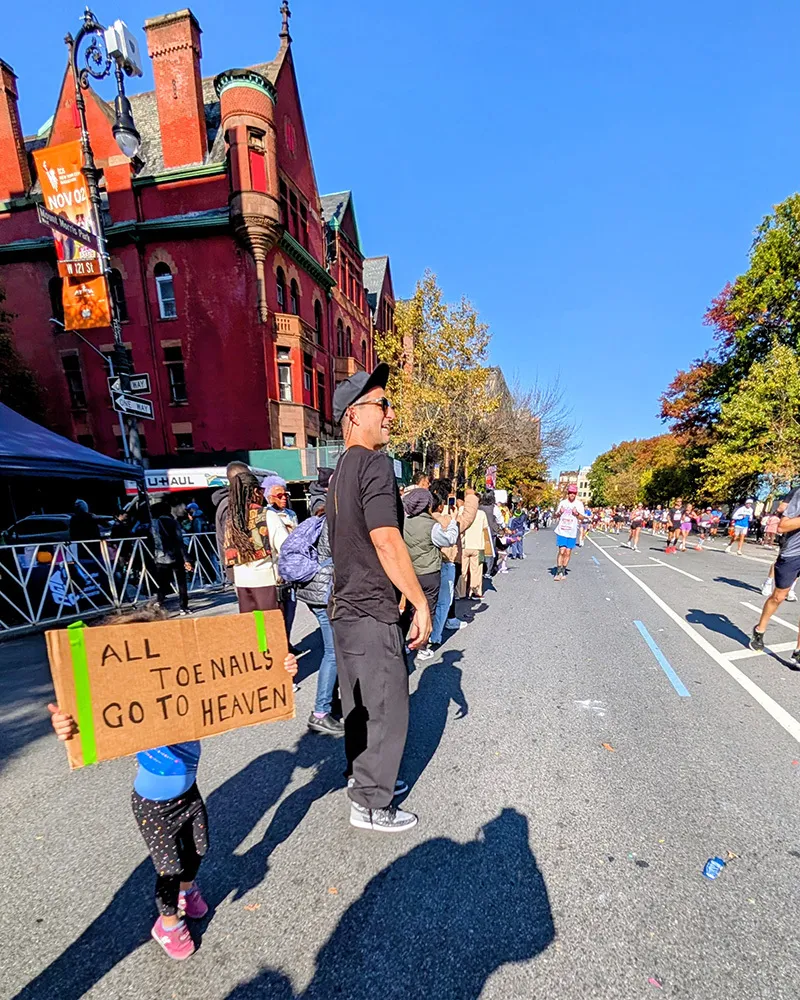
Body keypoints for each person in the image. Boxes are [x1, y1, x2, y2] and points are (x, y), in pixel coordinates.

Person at [47, 608, 299, 962]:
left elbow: (237, 680)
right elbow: (89, 716)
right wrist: (66, 725)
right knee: (168, 868)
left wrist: (278, 669)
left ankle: (187, 889)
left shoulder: (189, 688)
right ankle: (167, 922)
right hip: (153, 805)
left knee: (199, 849)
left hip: (189, 794)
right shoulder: (133, 699)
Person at [327, 363, 431, 833]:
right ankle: (372, 802)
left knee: (360, 705)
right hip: (370, 608)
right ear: (354, 414)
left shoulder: (337, 474)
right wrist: (420, 600)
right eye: (383, 405)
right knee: (387, 705)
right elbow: (387, 539)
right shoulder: (372, 463)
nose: (390, 414)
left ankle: (366, 781)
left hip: (345, 609)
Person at [294, 483, 342, 736]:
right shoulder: (332, 522)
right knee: (333, 652)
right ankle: (320, 711)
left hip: (310, 590)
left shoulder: (317, 518)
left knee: (333, 650)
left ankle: (330, 704)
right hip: (322, 593)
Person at [224, 472, 288, 613]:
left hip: (242, 583)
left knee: (255, 629)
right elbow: (285, 547)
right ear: (255, 491)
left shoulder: (232, 519)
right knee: (271, 629)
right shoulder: (268, 516)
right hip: (266, 581)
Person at [750, 489, 800, 655]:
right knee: (778, 597)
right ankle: (760, 630)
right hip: (793, 553)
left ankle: (798, 651)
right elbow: (783, 526)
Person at [428, 482, 476, 651]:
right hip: (448, 561)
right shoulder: (447, 519)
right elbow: (467, 518)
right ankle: (434, 636)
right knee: (444, 600)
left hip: (423, 565)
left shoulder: (422, 517)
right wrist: (470, 496)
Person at [262, 475, 298, 645]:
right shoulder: (266, 516)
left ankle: (287, 643)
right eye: (279, 495)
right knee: (268, 616)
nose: (284, 498)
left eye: (285, 495)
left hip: (290, 570)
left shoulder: (291, 514)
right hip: (272, 573)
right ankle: (270, 648)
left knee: (290, 610)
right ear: (269, 497)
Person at [151, 499, 193, 616]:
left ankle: (159, 602)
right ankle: (183, 607)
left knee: (163, 582)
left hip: (160, 556)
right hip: (175, 555)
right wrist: (187, 559)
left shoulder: (153, 524)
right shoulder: (172, 522)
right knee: (181, 582)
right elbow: (179, 541)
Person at [458, 499, 491, 599]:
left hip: (464, 545)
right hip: (478, 546)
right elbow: (485, 530)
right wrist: (488, 549)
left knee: (462, 571)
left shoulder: (461, 510)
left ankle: (460, 593)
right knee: (477, 571)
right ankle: (475, 591)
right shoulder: (481, 514)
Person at [553, 484, 586, 581]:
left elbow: (582, 518)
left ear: (575, 494)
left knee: (567, 552)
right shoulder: (562, 503)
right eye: (570, 493)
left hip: (572, 531)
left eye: (574, 493)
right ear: (568, 493)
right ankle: (558, 571)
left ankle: (563, 570)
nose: (572, 494)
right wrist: (560, 512)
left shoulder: (579, 504)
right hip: (562, 530)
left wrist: (576, 513)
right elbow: (555, 516)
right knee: (561, 551)